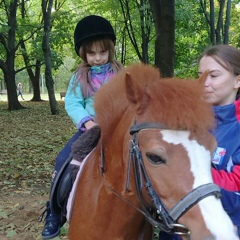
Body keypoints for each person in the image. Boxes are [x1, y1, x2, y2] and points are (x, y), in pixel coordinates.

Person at [40, 15, 123, 240]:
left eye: (102, 52)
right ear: (84, 53)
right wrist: (87, 121)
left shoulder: (120, 73)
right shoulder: (80, 76)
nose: (97, 58)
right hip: (90, 129)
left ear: (110, 51)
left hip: (118, 130)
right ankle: (54, 213)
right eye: (92, 53)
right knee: (64, 160)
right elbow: (73, 103)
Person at [159, 44, 240, 239]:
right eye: (201, 75)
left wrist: (188, 170)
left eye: (214, 76)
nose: (204, 82)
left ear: (238, 80)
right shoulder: (184, 122)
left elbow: (236, 187)